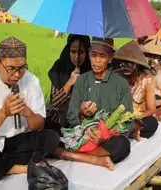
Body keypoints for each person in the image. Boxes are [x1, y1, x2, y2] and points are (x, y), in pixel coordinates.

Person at [0, 37, 60, 183]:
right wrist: (4, 113)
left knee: (51, 138)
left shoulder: (32, 81)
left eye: (22, 68)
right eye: (11, 69)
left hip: (18, 143)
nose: (17, 75)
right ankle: (18, 168)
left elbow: (40, 124)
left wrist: (28, 114)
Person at [54, 37, 133, 170]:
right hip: (83, 133)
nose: (96, 60)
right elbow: (71, 116)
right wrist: (81, 112)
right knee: (51, 136)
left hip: (106, 138)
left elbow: (128, 121)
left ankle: (70, 154)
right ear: (89, 54)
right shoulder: (82, 80)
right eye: (93, 55)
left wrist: (105, 135)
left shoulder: (121, 84)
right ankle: (92, 158)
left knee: (122, 145)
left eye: (102, 56)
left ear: (110, 58)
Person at [45, 34, 92, 135]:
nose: (77, 57)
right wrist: (70, 82)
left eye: (81, 52)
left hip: (84, 120)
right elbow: (55, 102)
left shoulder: (92, 70)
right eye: (73, 52)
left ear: (88, 52)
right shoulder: (60, 67)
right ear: (68, 50)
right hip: (59, 119)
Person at [112, 40, 158, 140]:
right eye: (122, 62)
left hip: (137, 118)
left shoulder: (147, 79)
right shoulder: (117, 76)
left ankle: (132, 129)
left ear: (137, 64)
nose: (124, 65)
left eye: (129, 63)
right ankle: (130, 130)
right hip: (118, 117)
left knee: (152, 123)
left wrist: (132, 116)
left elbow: (151, 109)